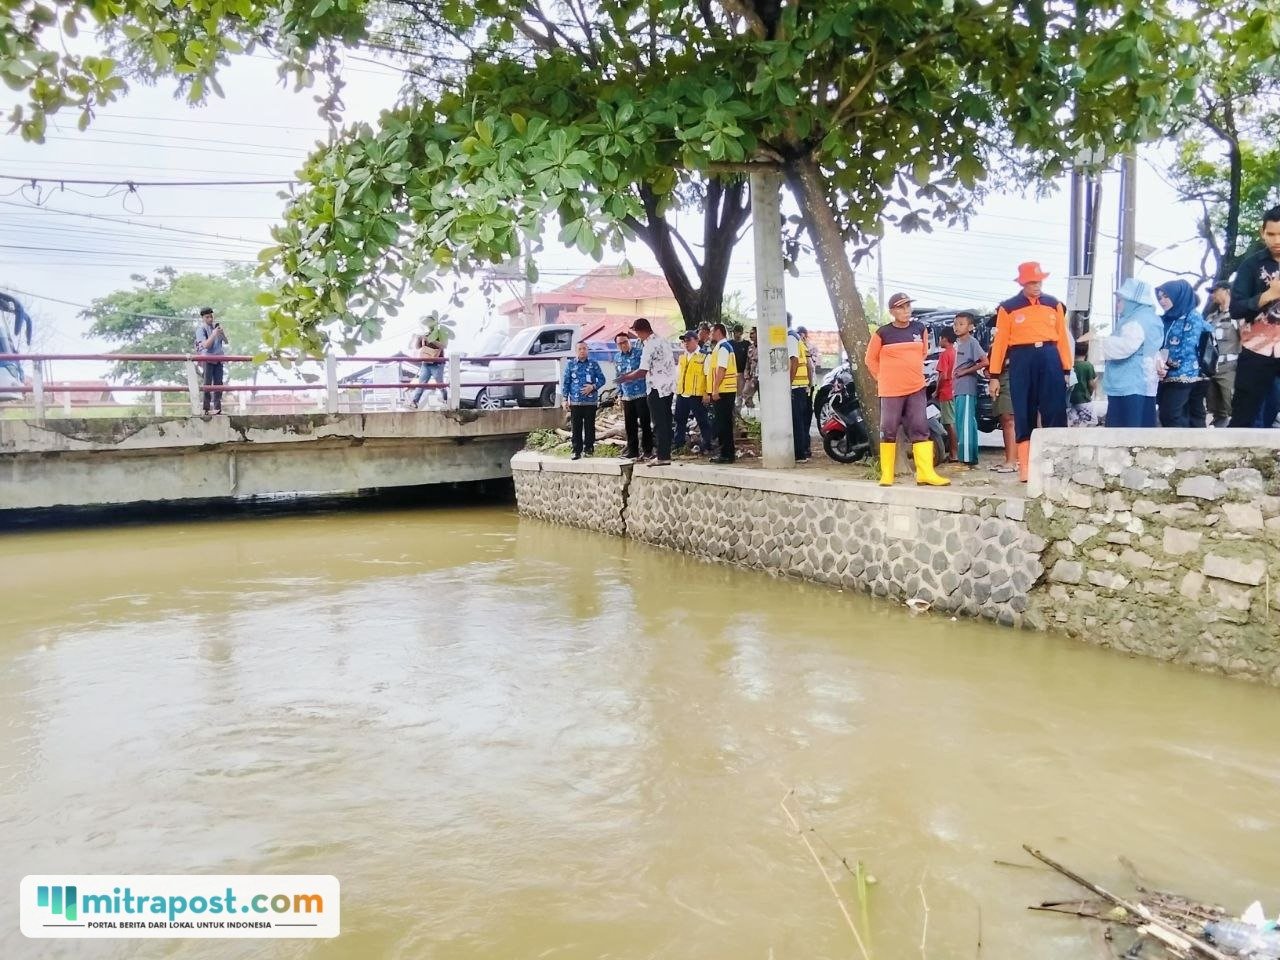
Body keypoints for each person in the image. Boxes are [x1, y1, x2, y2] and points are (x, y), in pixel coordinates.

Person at [988, 262, 1071, 482]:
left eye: (1039, 281)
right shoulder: (1008, 308)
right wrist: (994, 375)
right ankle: (1024, 467)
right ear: (1023, 283)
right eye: (1032, 282)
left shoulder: (1054, 304)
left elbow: (1062, 338)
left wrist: (1066, 368)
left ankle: (1057, 464)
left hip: (1049, 355)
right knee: (1023, 410)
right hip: (1021, 358)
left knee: (1055, 408)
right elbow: (1000, 343)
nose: (1036, 286)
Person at [865, 292, 949, 487]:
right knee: (889, 429)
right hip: (890, 390)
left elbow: (922, 353)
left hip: (915, 387)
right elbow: (870, 359)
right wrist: (883, 378)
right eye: (901, 307)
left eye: (908, 306)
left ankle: (925, 473)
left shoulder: (920, 329)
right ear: (892, 311)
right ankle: (887, 474)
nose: (906, 310)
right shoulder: (882, 333)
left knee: (920, 428)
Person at [1228, 205, 1280, 428]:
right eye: (1271, 234)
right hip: (1257, 349)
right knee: (1244, 416)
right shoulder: (1251, 265)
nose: (1276, 239)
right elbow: (1236, 309)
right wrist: (1268, 295)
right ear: (1262, 233)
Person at [1102, 278, 1164, 428]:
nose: (1118, 304)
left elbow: (1126, 346)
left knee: (1125, 432)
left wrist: (1100, 342)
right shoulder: (1151, 318)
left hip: (1129, 383)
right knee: (1143, 427)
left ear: (1132, 301)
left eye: (1121, 300)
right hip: (1144, 382)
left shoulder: (1136, 321)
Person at [1155, 279, 1212, 427]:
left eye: (1166, 296)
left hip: (1187, 373)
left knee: (1170, 414)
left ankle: (1182, 447)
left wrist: (1170, 363)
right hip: (1168, 373)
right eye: (1159, 297)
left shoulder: (1192, 316)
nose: (1162, 301)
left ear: (1178, 296)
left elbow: (1189, 345)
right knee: (1187, 415)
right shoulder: (1167, 318)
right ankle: (1193, 446)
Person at [620, 317, 677, 465]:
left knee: (658, 422)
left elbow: (642, 371)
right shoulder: (663, 341)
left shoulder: (649, 345)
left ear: (640, 331)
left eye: (637, 332)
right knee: (666, 420)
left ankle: (662, 456)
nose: (637, 336)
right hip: (668, 387)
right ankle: (666, 454)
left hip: (656, 387)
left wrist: (624, 378)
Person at [951, 311, 987, 468]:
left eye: (961, 324)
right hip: (958, 388)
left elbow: (985, 361)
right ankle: (969, 456)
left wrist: (965, 372)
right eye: (955, 324)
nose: (957, 327)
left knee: (965, 422)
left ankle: (965, 459)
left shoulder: (972, 342)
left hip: (967, 387)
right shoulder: (957, 344)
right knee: (962, 421)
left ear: (970, 326)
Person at [561, 341, 605, 459]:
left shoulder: (593, 364)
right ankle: (576, 450)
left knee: (590, 426)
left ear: (588, 350)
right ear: (576, 351)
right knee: (576, 427)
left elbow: (602, 379)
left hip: (590, 401)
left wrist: (593, 387)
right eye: (580, 349)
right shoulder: (571, 365)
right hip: (575, 401)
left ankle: (589, 449)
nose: (582, 351)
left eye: (584, 348)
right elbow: (566, 382)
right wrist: (565, 399)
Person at [613, 331, 652, 461]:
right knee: (630, 425)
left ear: (630, 341)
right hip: (627, 396)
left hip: (641, 393)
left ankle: (647, 451)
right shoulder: (617, 357)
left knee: (645, 423)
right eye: (620, 343)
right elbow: (618, 377)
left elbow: (646, 371)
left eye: (625, 342)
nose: (623, 345)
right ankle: (633, 451)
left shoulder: (640, 353)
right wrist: (619, 394)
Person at [673, 330, 714, 454]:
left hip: (697, 394)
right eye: (684, 341)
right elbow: (680, 375)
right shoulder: (683, 357)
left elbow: (708, 375)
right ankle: (679, 445)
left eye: (688, 340)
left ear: (696, 340)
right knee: (680, 420)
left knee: (702, 421)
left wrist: (707, 393)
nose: (686, 343)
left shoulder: (705, 356)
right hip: (682, 393)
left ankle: (707, 445)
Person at [1204, 281, 1238, 427]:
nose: (1213, 295)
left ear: (1227, 291)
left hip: (1231, 366)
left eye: (1215, 291)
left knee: (1232, 406)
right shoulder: (1211, 317)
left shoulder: (1237, 314)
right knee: (1216, 409)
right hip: (1212, 368)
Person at [707, 322, 738, 463]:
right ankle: (726, 453)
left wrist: (715, 389)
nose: (711, 334)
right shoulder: (723, 347)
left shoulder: (723, 347)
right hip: (726, 390)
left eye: (712, 331)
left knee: (723, 424)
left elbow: (721, 369)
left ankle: (726, 454)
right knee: (724, 423)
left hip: (724, 391)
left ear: (719, 331)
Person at [194, 306, 228, 415]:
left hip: (219, 359)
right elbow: (206, 345)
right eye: (207, 317)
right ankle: (206, 408)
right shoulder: (201, 330)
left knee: (219, 384)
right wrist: (213, 335)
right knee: (207, 384)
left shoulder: (216, 328)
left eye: (211, 316)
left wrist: (221, 333)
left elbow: (226, 342)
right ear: (203, 318)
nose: (210, 319)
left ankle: (218, 408)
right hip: (207, 359)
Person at [787, 318, 812, 462]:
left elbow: (794, 360)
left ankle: (799, 454)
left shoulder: (790, 337)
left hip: (795, 385)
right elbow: (808, 364)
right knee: (800, 421)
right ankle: (802, 451)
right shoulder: (796, 338)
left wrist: (788, 384)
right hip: (801, 385)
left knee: (796, 421)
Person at [935, 328, 958, 461]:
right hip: (955, 390)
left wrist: (936, 391)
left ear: (944, 339)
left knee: (949, 424)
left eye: (940, 338)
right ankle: (956, 451)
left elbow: (942, 376)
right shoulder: (955, 352)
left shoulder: (945, 354)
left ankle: (954, 453)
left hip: (946, 391)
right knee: (953, 421)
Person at [408, 331, 445, 409]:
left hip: (437, 364)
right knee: (421, 383)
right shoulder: (425, 334)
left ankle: (445, 399)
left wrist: (430, 339)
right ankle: (414, 401)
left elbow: (443, 346)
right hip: (426, 363)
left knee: (440, 383)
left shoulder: (439, 333)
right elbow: (418, 347)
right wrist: (419, 339)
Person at [1068, 341, 1097, 426]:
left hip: (1071, 400)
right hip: (1084, 399)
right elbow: (1091, 384)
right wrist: (1091, 392)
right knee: (1092, 422)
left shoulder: (1070, 365)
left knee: (1074, 425)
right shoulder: (1088, 365)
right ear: (1087, 352)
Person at [736, 327, 759, 414]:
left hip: (762, 376)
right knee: (745, 393)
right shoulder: (751, 347)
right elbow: (748, 362)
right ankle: (752, 413)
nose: (751, 335)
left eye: (753, 333)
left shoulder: (764, 346)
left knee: (764, 397)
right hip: (753, 376)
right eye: (750, 333)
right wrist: (746, 373)